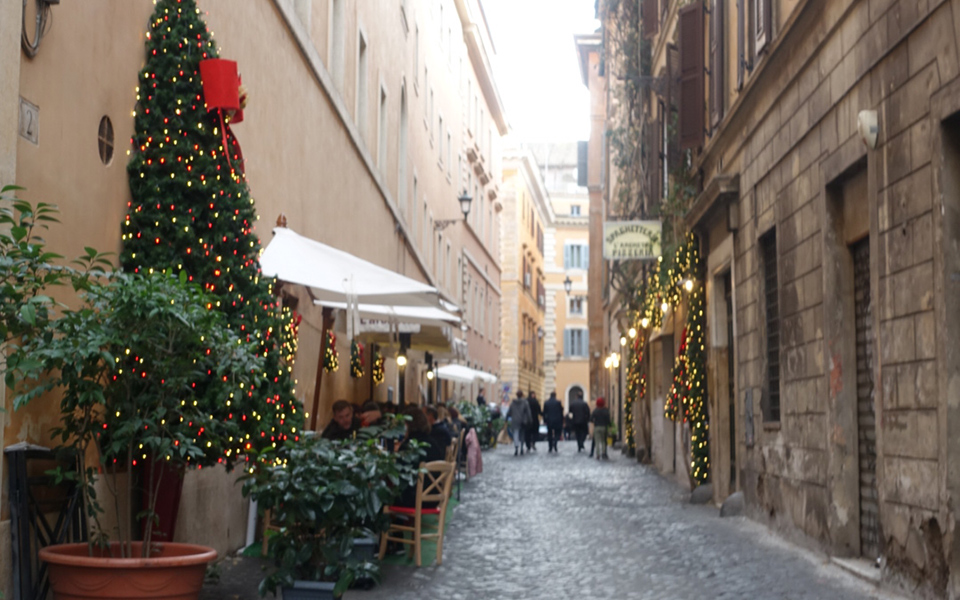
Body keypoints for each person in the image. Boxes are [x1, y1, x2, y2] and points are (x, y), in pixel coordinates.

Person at [396, 407, 447, 508]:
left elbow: (399, 472)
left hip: (414, 500)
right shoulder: (432, 443)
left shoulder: (408, 447)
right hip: (434, 497)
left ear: (409, 425)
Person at [507, 391, 531, 456]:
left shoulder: (513, 403)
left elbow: (509, 411)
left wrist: (507, 418)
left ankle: (516, 448)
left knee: (516, 434)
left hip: (515, 420)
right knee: (522, 434)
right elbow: (528, 412)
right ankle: (522, 448)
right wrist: (530, 420)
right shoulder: (525, 403)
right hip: (523, 421)